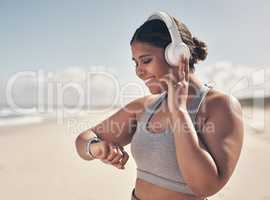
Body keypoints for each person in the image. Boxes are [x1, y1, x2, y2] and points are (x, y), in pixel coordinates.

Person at [75, 11, 244, 200]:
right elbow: (83, 140)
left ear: (177, 55)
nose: (139, 71)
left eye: (146, 60)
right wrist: (95, 147)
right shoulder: (144, 107)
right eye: (135, 63)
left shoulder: (220, 106)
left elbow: (204, 186)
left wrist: (179, 112)